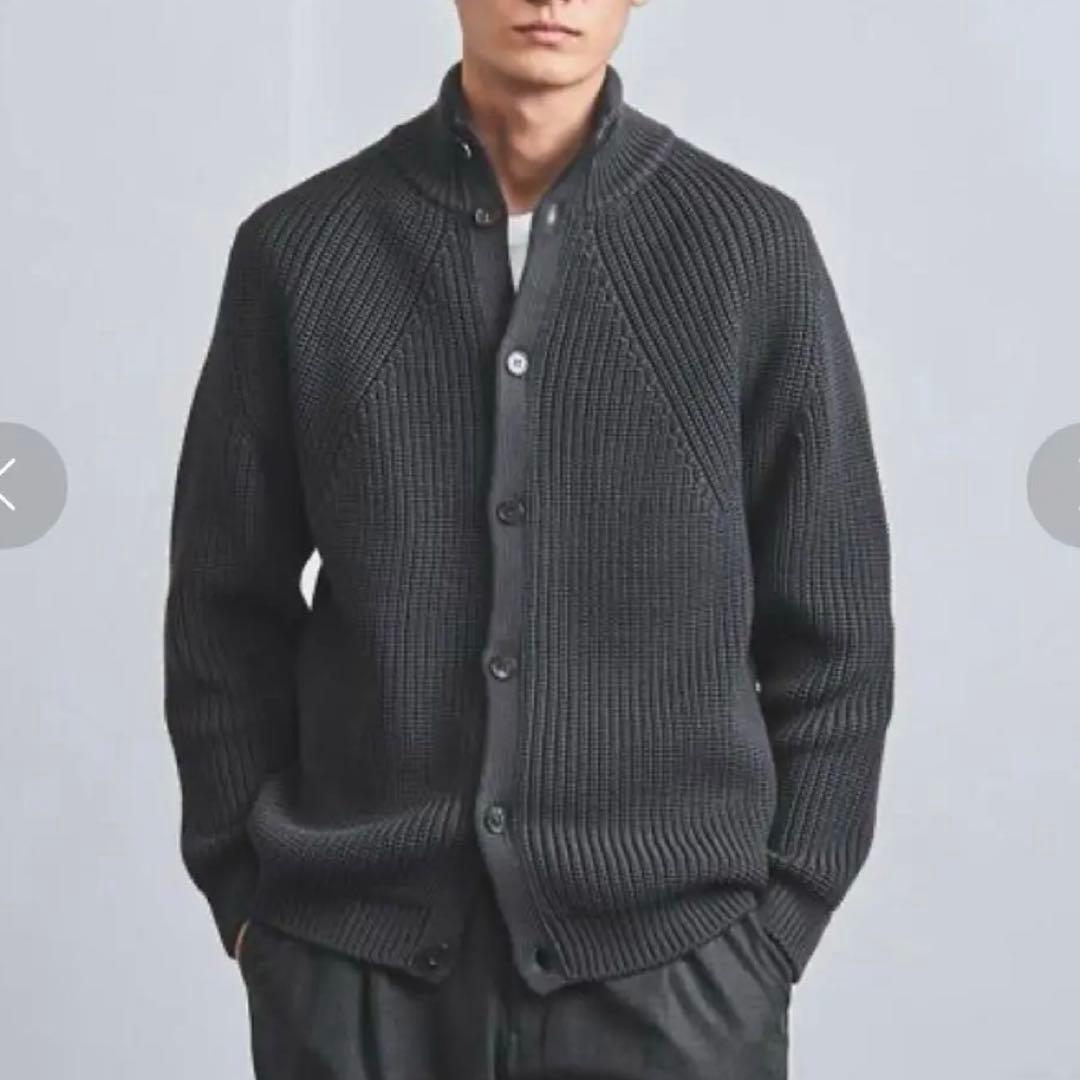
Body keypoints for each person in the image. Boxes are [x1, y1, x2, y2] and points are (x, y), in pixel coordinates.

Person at [163, 2, 895, 1077]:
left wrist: (774, 930)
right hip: (354, 972)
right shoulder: (303, 251)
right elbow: (223, 608)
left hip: (674, 974)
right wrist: (247, 900)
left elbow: (834, 625)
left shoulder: (746, 248)